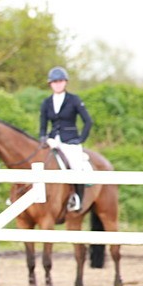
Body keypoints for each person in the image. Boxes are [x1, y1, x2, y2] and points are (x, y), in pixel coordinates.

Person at [38, 66, 93, 212]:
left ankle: (78, 198)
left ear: (65, 82)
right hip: (52, 140)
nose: (57, 84)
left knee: (76, 166)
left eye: (60, 81)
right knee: (36, 161)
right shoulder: (46, 102)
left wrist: (80, 139)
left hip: (70, 140)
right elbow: (43, 124)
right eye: (54, 82)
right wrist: (43, 137)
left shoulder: (74, 100)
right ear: (50, 84)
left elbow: (88, 121)